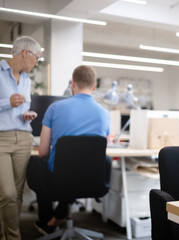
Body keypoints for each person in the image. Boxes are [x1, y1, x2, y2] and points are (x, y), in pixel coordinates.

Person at [27, 65, 110, 235]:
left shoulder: (55, 108)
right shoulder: (105, 113)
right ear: (94, 87)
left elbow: (42, 152)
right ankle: (54, 219)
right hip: (92, 179)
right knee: (78, 169)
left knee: (36, 162)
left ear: (73, 83)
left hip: (59, 178)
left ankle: (46, 221)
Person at [0, 36, 41, 240]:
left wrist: (28, 115)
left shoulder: (26, 80)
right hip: (2, 139)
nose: (36, 62)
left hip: (23, 137)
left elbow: (23, 106)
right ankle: (12, 236)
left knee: (16, 195)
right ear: (25, 53)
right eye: (36, 58)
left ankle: (7, 235)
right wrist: (7, 103)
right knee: (6, 194)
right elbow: (10, 104)